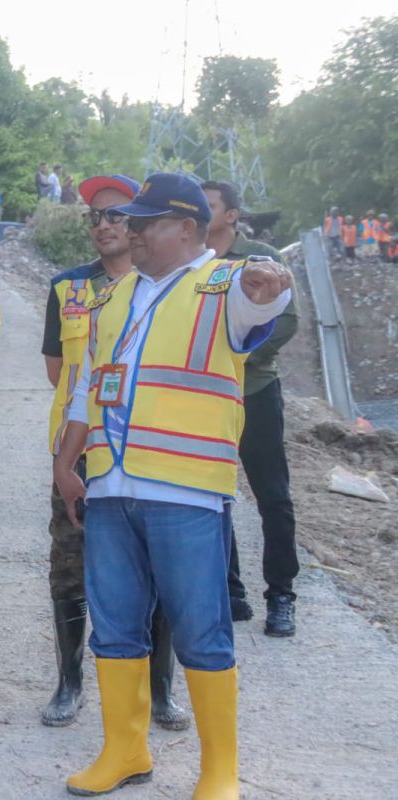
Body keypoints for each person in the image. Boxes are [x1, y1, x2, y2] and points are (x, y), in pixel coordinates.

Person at [53, 172, 292, 798]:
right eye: (129, 221)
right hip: (108, 488)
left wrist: (271, 290)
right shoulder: (114, 298)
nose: (128, 231)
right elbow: (87, 387)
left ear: (186, 228)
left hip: (184, 490)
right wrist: (66, 464)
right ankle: (124, 751)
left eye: (144, 222)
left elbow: (263, 299)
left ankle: (219, 771)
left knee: (200, 629)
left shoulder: (223, 285)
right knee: (116, 625)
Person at [40, 174, 189, 731]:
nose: (103, 225)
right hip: (81, 452)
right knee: (70, 569)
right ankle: (69, 682)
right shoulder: (66, 288)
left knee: (158, 572)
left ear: (141, 223)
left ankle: (160, 691)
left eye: (115, 215)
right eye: (95, 217)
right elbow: (59, 373)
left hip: (151, 450)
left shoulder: (171, 287)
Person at [203, 181, 300, 636]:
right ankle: (231, 589)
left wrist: (240, 354)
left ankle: (281, 595)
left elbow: (288, 320)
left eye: (209, 205)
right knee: (215, 494)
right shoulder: (197, 265)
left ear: (231, 215)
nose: (200, 213)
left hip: (256, 391)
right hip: (208, 397)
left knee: (272, 496)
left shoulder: (260, 256)